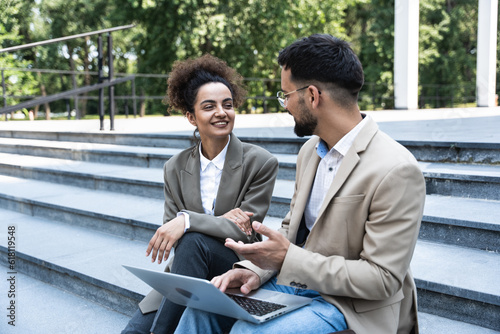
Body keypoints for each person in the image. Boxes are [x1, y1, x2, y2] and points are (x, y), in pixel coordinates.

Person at [173, 34, 426, 334]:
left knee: (247, 333)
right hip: (297, 285)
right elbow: (291, 234)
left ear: (313, 96)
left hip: (352, 306)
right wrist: (252, 270)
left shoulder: (396, 168)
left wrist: (288, 259)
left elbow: (381, 279)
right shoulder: (310, 152)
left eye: (286, 95)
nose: (285, 105)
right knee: (201, 312)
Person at [122, 54, 279, 334]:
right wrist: (208, 221)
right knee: (132, 332)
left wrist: (188, 220)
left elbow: (244, 232)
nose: (221, 112)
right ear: (191, 117)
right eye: (209, 106)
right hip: (185, 272)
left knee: (193, 239)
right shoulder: (175, 167)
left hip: (232, 263)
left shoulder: (261, 162)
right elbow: (172, 232)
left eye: (227, 105)